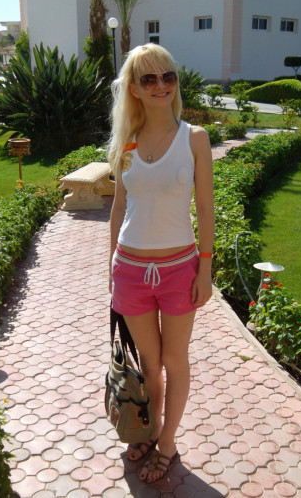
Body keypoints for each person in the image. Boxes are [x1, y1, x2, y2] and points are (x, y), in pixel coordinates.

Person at [107, 43, 214, 484]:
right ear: (134, 88)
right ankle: (149, 432)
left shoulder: (194, 138)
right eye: (148, 78)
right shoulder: (127, 142)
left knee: (175, 360)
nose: (160, 86)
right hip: (130, 270)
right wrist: (111, 266)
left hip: (179, 270)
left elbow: (205, 209)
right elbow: (118, 208)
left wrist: (205, 269)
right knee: (149, 365)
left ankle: (167, 443)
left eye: (167, 76)